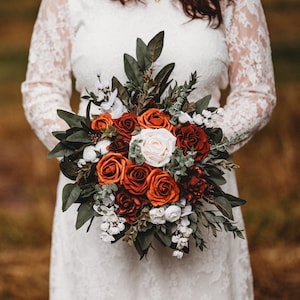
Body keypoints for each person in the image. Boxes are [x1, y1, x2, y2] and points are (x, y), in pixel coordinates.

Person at [22, 0, 276, 299]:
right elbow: (42, 87)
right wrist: (95, 154)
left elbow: (255, 93)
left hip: (199, 193)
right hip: (100, 201)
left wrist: (191, 150)